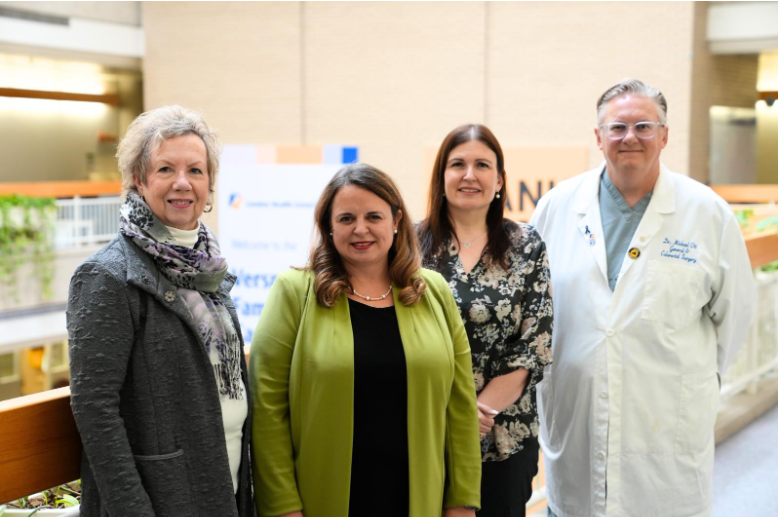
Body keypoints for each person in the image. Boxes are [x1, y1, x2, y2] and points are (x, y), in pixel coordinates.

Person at [530, 79, 756, 517]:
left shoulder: (707, 213)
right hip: (577, 424)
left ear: (665, 136)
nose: (629, 137)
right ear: (598, 137)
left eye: (643, 126)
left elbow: (736, 316)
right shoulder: (556, 207)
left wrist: (693, 385)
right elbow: (536, 309)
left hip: (666, 430)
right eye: (616, 128)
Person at [250, 163, 481, 517]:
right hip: (322, 499)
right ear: (328, 225)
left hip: (419, 499)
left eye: (374, 216)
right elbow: (267, 410)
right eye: (346, 218)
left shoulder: (433, 292)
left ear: (396, 220)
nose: (361, 229)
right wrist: (282, 505)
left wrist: (462, 501)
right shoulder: (294, 292)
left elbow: (461, 408)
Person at [67, 105, 252, 517]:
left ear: (210, 184)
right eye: (166, 169)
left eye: (196, 170)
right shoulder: (107, 275)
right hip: (162, 498)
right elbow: (95, 409)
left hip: (227, 481)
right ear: (139, 179)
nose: (182, 183)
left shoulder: (211, 269)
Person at [418, 124, 554, 517]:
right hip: (427, 430)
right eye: (457, 164)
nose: (469, 175)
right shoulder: (409, 246)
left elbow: (535, 344)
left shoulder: (526, 245)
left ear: (499, 180)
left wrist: (474, 413)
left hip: (504, 436)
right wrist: (451, 416)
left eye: (482, 164)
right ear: (441, 176)